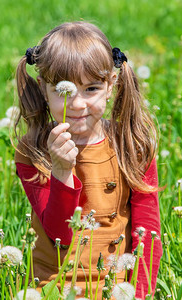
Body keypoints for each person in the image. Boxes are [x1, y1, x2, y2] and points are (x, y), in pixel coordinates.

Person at [12, 21, 162, 299]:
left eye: (91, 89)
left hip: (114, 288)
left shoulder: (132, 146)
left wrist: (140, 294)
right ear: (43, 89)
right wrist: (61, 170)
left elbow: (148, 232)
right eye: (64, 91)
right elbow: (61, 236)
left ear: (110, 85)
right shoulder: (33, 150)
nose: (78, 104)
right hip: (52, 287)